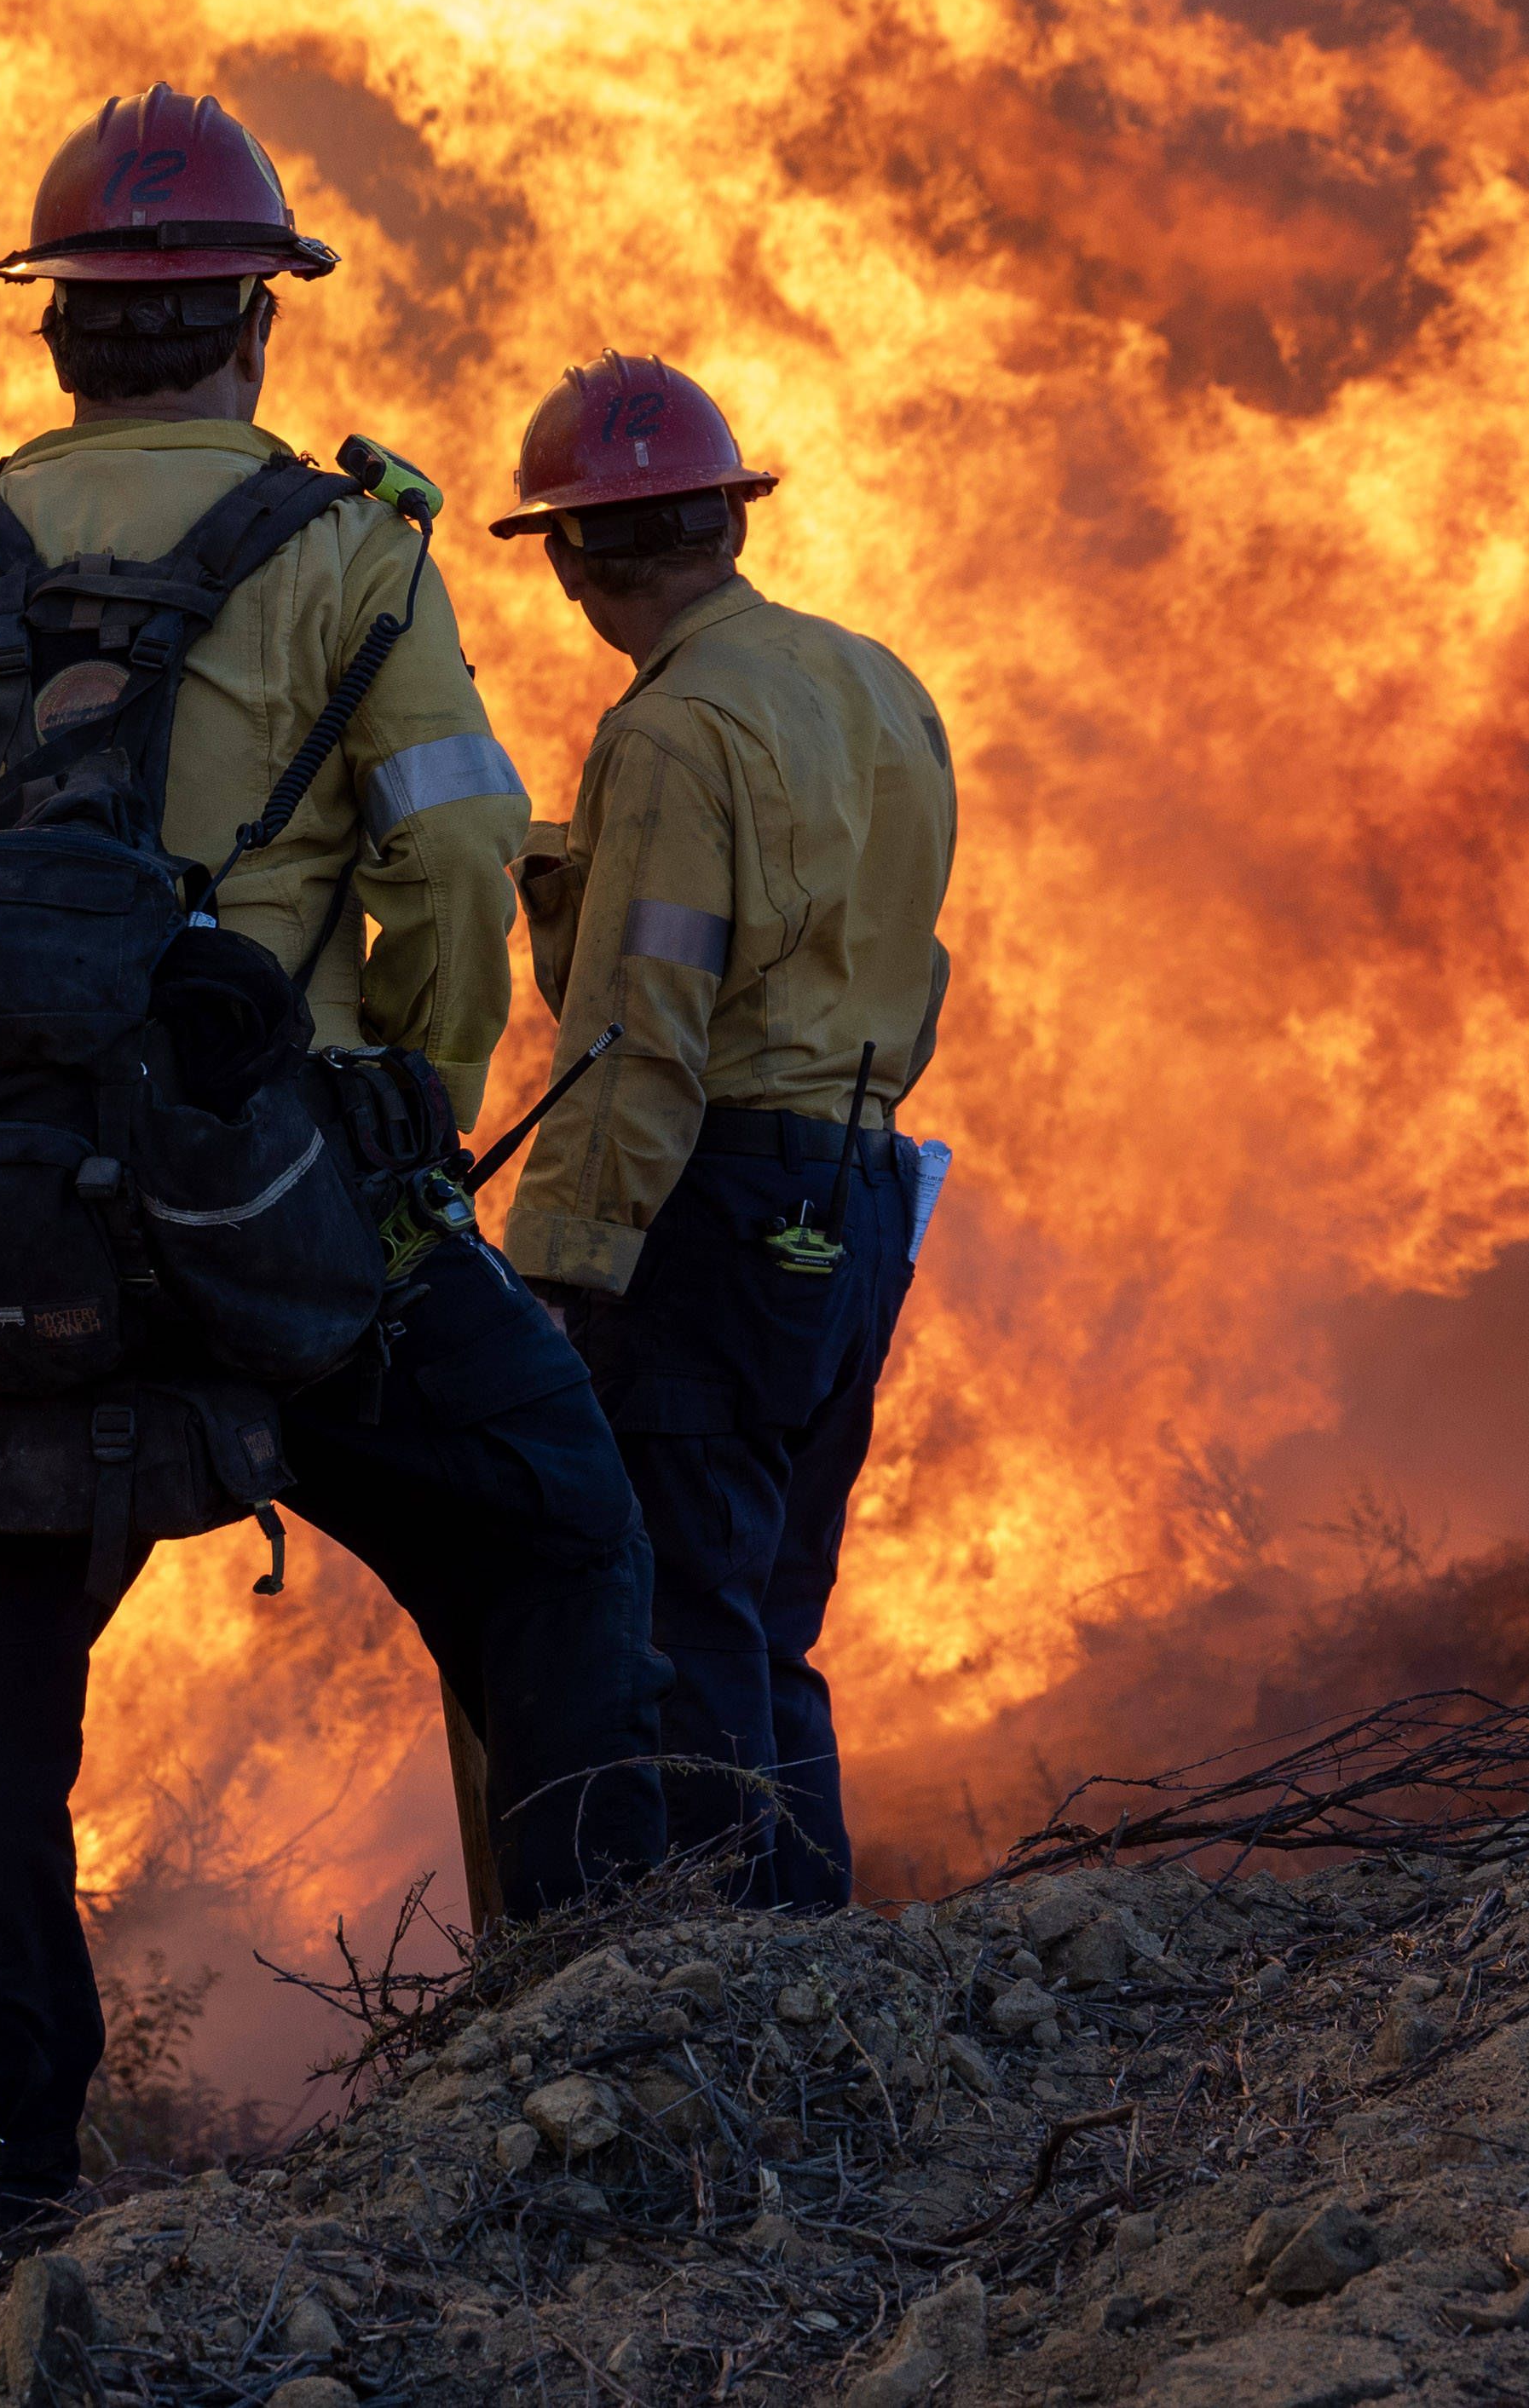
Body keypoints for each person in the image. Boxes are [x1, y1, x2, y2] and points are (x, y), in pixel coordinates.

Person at [0, 89, 667, 2250]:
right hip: (286, 1217)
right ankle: (593, 2070)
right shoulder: (349, 554)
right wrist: (410, 1110)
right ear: (257, 320)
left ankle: (3, 2178)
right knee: (556, 1535)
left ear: (60, 329)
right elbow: (455, 855)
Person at [495, 356, 955, 1910]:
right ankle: (809, 1981)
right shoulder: (877, 681)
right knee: (769, 1620)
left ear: (568, 558)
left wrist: (563, 1266)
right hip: (861, 1191)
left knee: (684, 1613)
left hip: (718, 1204)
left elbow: (643, 1032)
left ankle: (724, 1986)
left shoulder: (673, 733)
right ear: (731, 521)